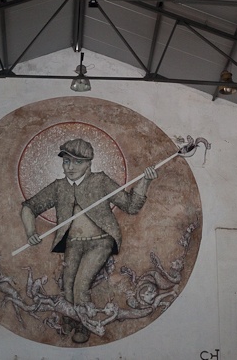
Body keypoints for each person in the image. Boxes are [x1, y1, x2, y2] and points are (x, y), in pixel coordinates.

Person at [20, 138, 157, 343]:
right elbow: (29, 207)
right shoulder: (59, 187)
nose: (70, 167)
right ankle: (70, 320)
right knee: (67, 287)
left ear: (88, 163)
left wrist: (145, 181)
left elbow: (130, 206)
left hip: (100, 242)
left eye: (77, 162)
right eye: (67, 161)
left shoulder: (100, 181)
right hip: (73, 244)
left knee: (80, 286)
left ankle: (84, 326)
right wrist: (30, 231)